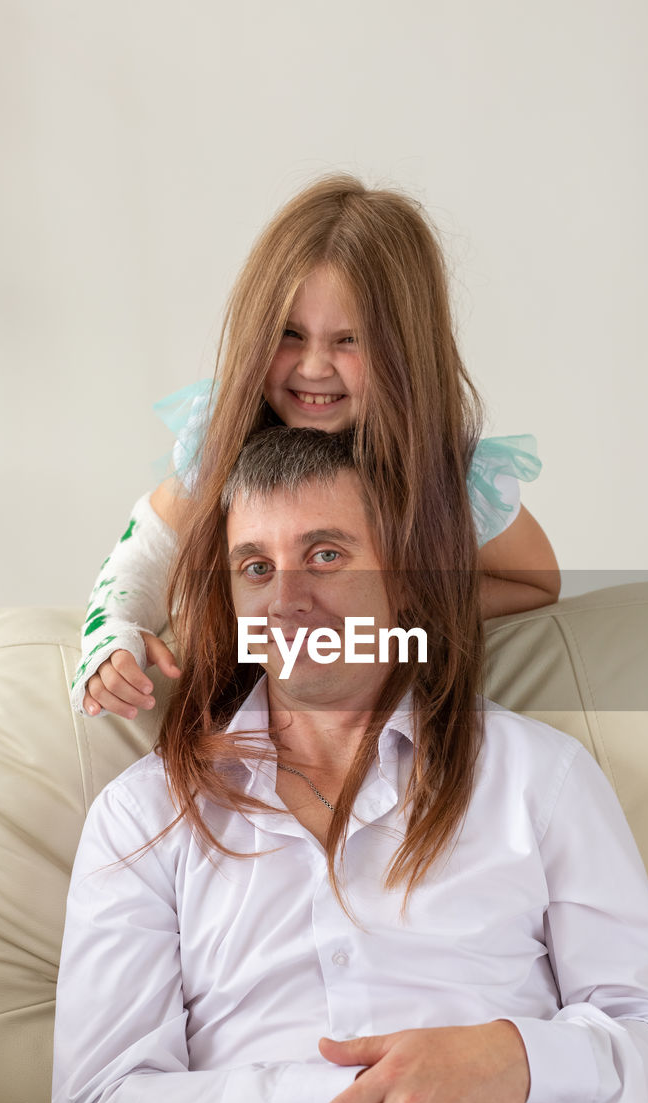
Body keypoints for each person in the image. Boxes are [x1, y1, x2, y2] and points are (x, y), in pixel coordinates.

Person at [53, 425, 648, 1103]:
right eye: (256, 567)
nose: (287, 597)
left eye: (324, 553)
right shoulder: (143, 817)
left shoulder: (535, 774)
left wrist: (511, 1063)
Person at [70, 175, 560, 721]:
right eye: (290, 334)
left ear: (408, 351)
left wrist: (397, 605)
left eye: (349, 340)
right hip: (235, 717)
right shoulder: (222, 438)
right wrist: (113, 631)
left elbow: (535, 582)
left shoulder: (454, 475)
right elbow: (151, 545)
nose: (313, 367)